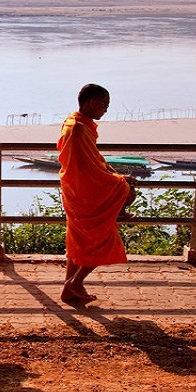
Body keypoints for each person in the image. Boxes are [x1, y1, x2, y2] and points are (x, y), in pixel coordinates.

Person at [57, 83, 137, 305]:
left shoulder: (75, 123)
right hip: (84, 193)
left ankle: (70, 290)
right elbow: (86, 168)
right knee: (104, 241)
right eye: (105, 105)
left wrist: (116, 175)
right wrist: (119, 183)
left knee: (78, 241)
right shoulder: (78, 129)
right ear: (92, 103)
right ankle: (74, 283)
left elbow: (95, 160)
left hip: (75, 190)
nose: (105, 110)